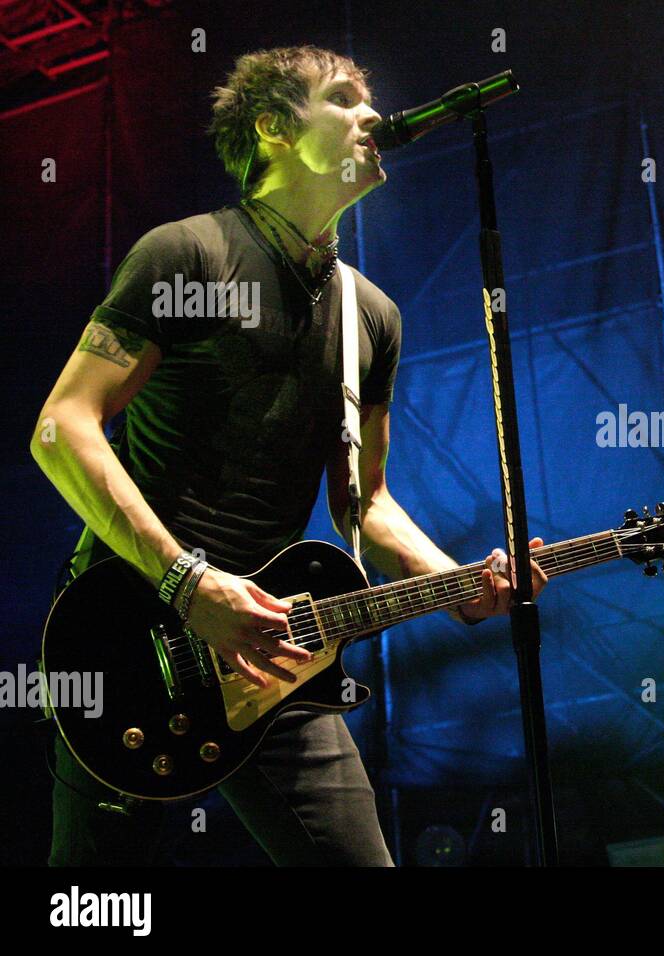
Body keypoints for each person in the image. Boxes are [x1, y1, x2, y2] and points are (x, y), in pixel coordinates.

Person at [30, 45, 546, 866]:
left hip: (280, 646)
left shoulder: (370, 316)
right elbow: (62, 427)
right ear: (273, 128)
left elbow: (363, 502)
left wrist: (459, 584)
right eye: (344, 98)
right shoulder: (185, 255)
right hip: (131, 633)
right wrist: (187, 583)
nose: (373, 116)